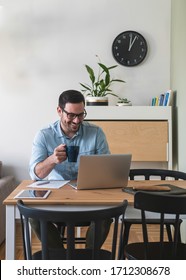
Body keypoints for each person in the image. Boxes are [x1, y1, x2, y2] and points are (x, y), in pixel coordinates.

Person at [29, 89, 112, 249]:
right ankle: (61, 259)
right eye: (71, 115)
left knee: (107, 214)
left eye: (81, 115)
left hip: (90, 197)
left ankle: (88, 260)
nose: (76, 120)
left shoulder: (96, 133)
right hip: (56, 200)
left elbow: (107, 169)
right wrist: (52, 160)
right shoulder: (44, 135)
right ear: (59, 111)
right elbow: (35, 174)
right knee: (33, 216)